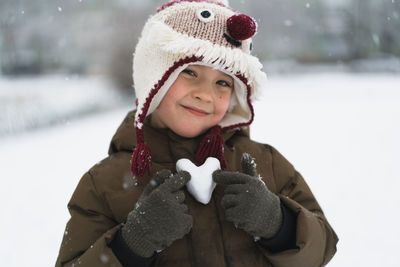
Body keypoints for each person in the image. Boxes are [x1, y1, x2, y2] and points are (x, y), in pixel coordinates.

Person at [55, 0, 338, 266]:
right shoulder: (104, 183)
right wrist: (132, 244)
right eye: (190, 72)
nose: (205, 94)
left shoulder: (267, 164)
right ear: (155, 79)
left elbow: (322, 247)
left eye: (223, 83)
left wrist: (279, 224)